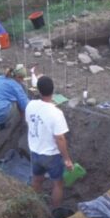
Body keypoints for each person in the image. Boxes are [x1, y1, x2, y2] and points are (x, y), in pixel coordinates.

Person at [25, 76, 73, 208]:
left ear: (39, 91)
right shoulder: (56, 113)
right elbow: (60, 138)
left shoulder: (30, 105)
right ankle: (55, 212)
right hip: (51, 155)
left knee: (36, 179)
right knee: (58, 183)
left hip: (35, 152)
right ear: (53, 91)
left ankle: (35, 208)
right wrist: (67, 159)